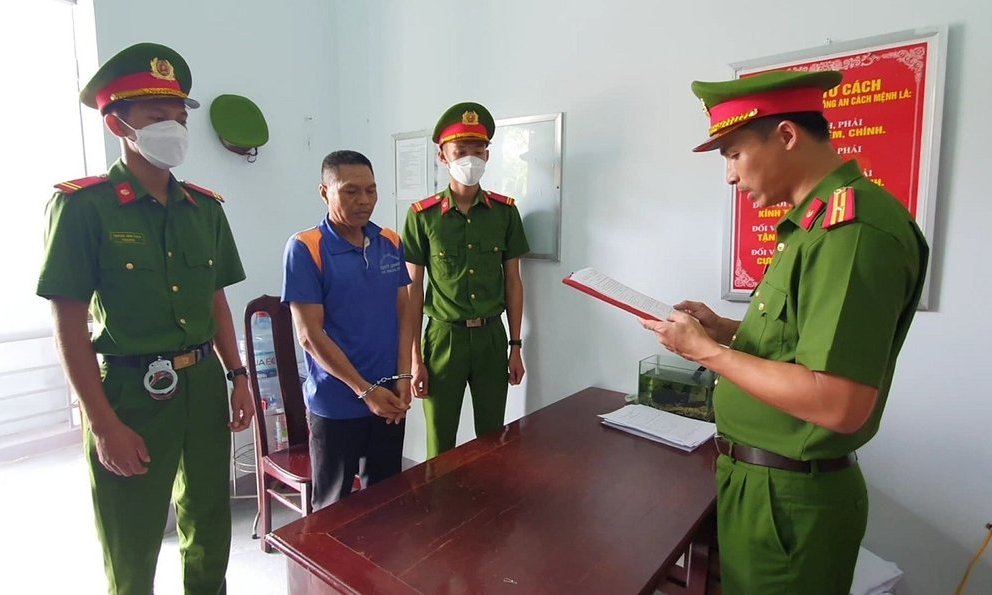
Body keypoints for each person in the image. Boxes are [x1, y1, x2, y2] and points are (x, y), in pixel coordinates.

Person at [640, 70, 929, 594]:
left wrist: (706, 353)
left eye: (734, 154)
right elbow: (797, 344)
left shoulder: (851, 232)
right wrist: (724, 330)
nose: (730, 176)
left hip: (790, 503)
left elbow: (838, 403)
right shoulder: (810, 226)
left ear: (787, 135)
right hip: (761, 485)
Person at [36, 43, 252, 594]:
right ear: (118, 124)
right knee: (130, 533)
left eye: (180, 117)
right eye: (158, 117)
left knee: (210, 521)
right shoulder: (83, 207)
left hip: (203, 383)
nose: (174, 128)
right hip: (129, 390)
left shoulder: (205, 209)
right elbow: (68, 324)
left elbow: (216, 300)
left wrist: (237, 375)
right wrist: (102, 423)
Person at [282, 150, 413, 509]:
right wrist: (365, 391)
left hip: (389, 397)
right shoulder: (306, 248)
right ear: (324, 192)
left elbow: (403, 312)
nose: (364, 200)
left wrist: (404, 375)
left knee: (386, 501)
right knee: (332, 508)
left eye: (371, 190)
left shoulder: (390, 241)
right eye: (351, 191)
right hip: (337, 404)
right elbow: (309, 336)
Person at [402, 102, 530, 458]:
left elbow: (514, 282)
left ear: (487, 155)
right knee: (440, 440)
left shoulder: (505, 213)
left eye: (478, 150)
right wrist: (414, 359)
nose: (470, 159)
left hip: (492, 338)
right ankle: (440, 496)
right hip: (443, 338)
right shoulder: (422, 216)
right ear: (442, 156)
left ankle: (489, 496)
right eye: (460, 151)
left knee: (492, 438)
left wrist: (515, 346)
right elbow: (412, 291)